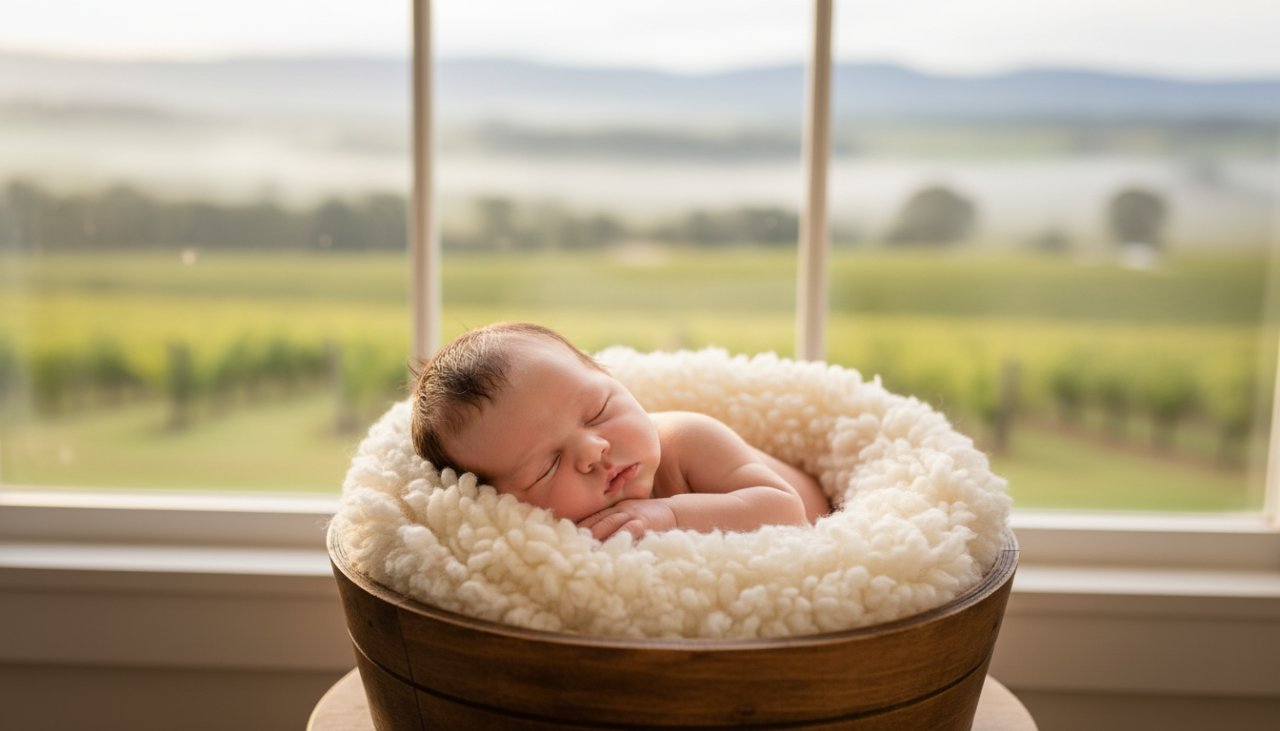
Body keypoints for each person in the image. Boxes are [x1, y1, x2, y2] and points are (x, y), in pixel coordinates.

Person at [410, 322, 830, 541]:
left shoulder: (688, 439)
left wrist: (670, 516)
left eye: (598, 411)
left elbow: (785, 510)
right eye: (547, 466)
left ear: (615, 381)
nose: (594, 449)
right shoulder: (551, 539)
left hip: (822, 519)